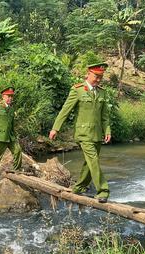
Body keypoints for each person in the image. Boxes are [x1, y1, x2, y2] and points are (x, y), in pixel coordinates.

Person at [49, 63, 112, 203]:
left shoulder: (102, 92)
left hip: (97, 134)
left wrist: (107, 130)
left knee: (89, 162)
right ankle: (103, 190)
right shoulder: (77, 90)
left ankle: (79, 187)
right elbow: (65, 110)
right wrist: (55, 128)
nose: (98, 80)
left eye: (101, 77)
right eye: (96, 76)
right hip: (83, 133)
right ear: (88, 74)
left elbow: (105, 116)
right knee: (93, 160)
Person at [0, 87, 22, 184]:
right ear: (3, 96)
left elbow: (12, 124)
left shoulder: (11, 108)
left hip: (10, 136)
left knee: (18, 151)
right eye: (8, 96)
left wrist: (14, 135)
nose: (10, 98)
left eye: (11, 96)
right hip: (0, 136)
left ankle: (16, 171)